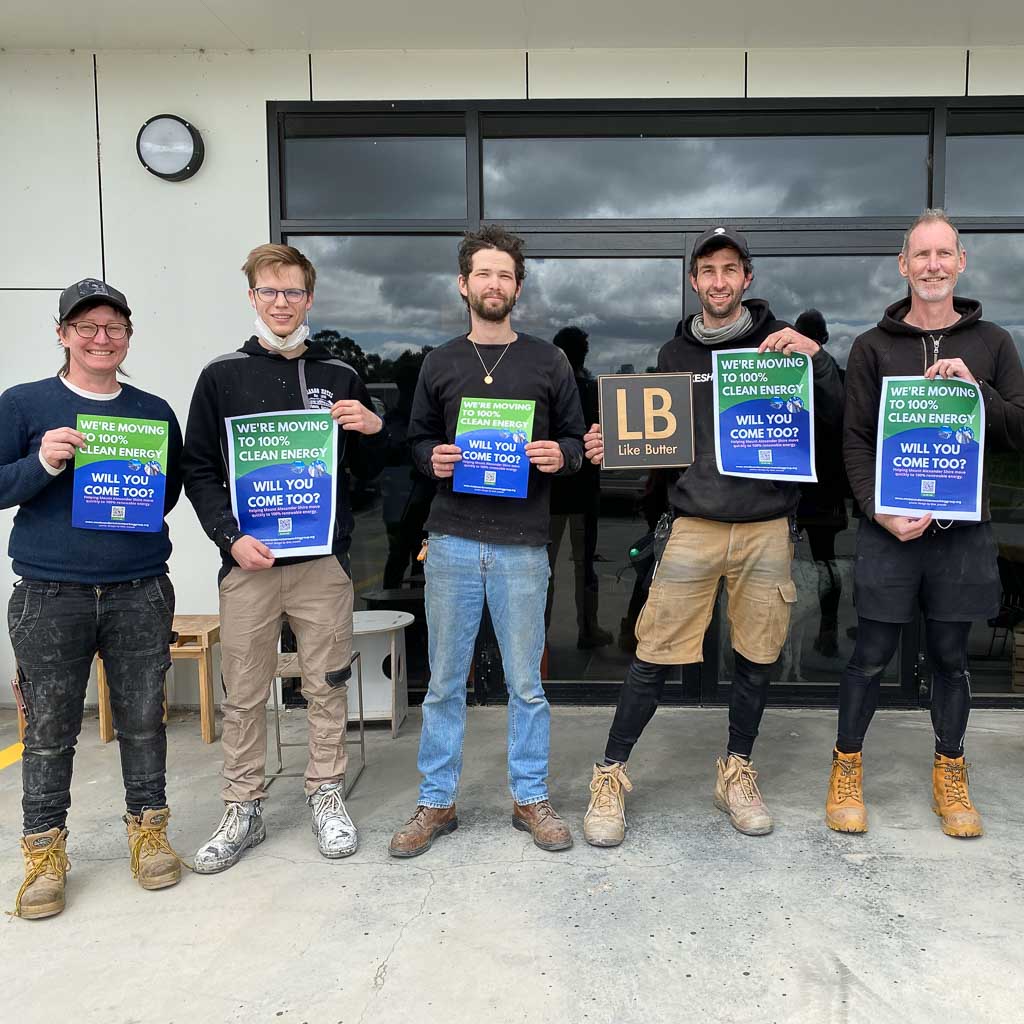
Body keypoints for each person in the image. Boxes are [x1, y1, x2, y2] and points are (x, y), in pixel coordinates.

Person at [580, 227, 843, 847]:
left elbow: (835, 417)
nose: (719, 281)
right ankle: (611, 773)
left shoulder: (782, 345)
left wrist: (819, 360)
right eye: (707, 271)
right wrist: (608, 447)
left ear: (747, 278)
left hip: (766, 528)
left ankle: (736, 770)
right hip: (693, 525)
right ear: (694, 281)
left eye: (730, 269)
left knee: (756, 658)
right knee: (651, 657)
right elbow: (660, 442)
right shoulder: (676, 354)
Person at [183, 243, 384, 872]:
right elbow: (197, 467)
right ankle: (242, 805)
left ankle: (326, 791)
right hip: (250, 561)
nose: (280, 303)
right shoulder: (221, 376)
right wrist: (227, 535)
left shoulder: (339, 376)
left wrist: (374, 432)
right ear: (251, 298)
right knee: (243, 689)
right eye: (268, 292)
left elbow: (368, 476)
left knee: (327, 682)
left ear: (309, 298)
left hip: (321, 562)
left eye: (292, 292)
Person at [388, 226, 585, 858]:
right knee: (445, 681)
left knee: (526, 682)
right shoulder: (440, 362)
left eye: (505, 275)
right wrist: (432, 459)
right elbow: (414, 440)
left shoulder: (549, 361)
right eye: (484, 274)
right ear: (464, 284)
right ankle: (436, 803)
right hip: (449, 542)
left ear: (517, 287)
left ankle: (530, 798)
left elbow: (579, 445)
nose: (494, 285)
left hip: (524, 543)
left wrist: (561, 454)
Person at [827, 209, 1024, 838]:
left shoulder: (993, 343)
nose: (933, 266)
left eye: (944, 254)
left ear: (961, 262)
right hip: (891, 531)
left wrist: (978, 393)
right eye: (921, 256)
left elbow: (1019, 428)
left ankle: (950, 768)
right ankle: (846, 765)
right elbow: (854, 442)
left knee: (949, 656)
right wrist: (875, 509)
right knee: (870, 654)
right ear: (903, 265)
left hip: (961, 533)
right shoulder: (871, 347)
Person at [1, 279, 185, 918]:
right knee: (49, 730)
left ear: (128, 337)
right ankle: (44, 854)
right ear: (63, 335)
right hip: (50, 595)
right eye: (87, 327)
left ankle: (149, 831)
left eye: (114, 327)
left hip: (139, 589)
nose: (101, 338)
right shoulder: (24, 404)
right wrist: (43, 465)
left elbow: (165, 494)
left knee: (143, 719)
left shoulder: (153, 411)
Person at [546, 326, 612, 650]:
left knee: (544, 570)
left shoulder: (549, 390)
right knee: (584, 566)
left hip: (553, 495)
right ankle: (587, 629)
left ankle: (540, 636)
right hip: (582, 493)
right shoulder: (589, 390)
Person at [793, 309, 850, 659]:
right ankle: (827, 629)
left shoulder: (786, 379)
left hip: (802, 488)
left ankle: (822, 630)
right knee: (824, 562)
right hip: (820, 488)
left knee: (795, 565)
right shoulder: (840, 378)